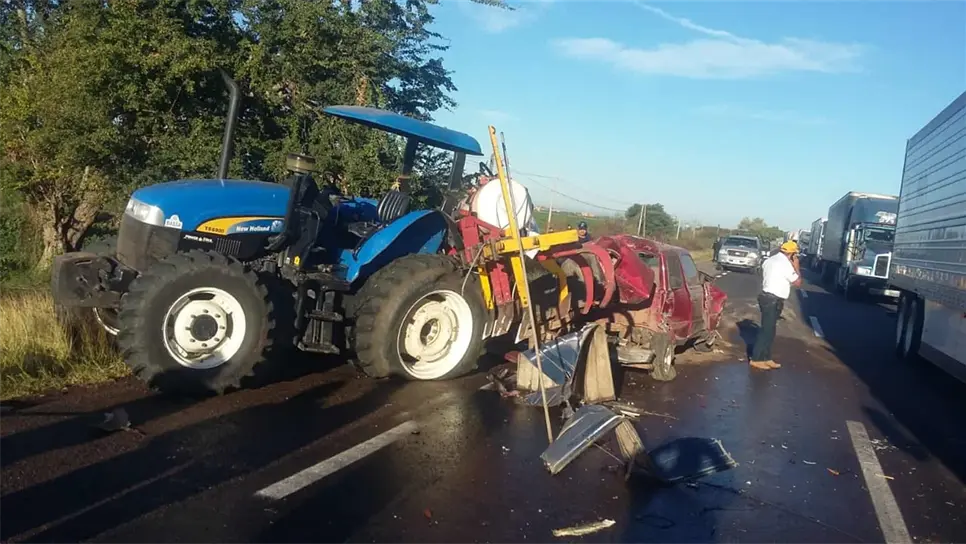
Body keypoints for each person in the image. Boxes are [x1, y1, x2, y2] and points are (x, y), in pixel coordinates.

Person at [750, 240, 802, 370]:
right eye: (795, 255)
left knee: (770, 329)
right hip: (773, 299)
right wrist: (796, 266)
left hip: (767, 297)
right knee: (766, 330)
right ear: (791, 254)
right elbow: (797, 282)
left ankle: (766, 358)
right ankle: (756, 358)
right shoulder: (785, 264)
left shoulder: (770, 260)